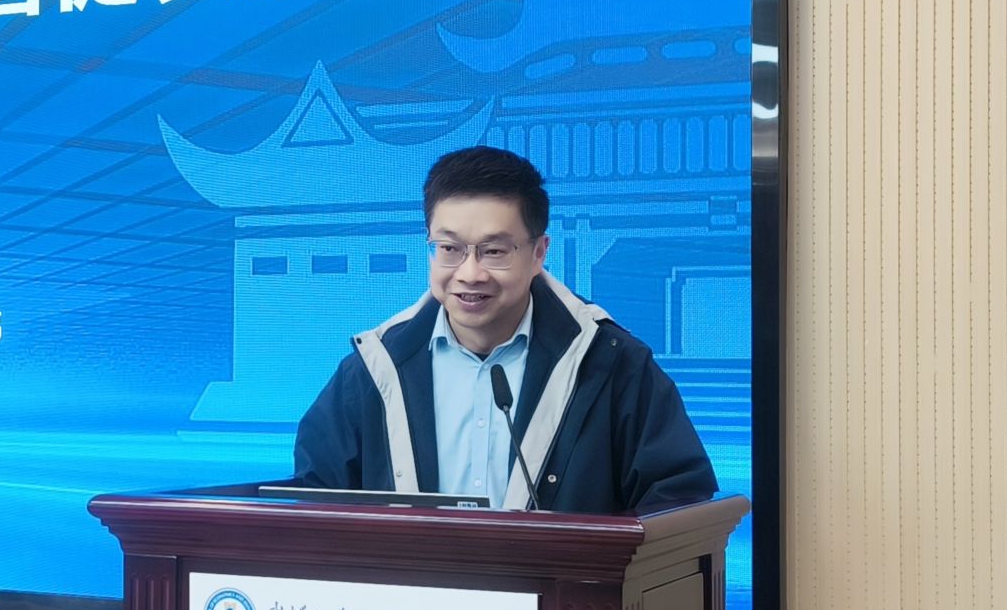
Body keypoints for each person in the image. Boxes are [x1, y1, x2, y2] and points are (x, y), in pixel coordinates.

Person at [293, 146, 717, 513]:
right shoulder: (373, 369)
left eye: (494, 251)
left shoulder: (610, 363)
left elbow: (679, 503)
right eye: (449, 248)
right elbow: (314, 504)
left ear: (538, 253)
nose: (469, 273)